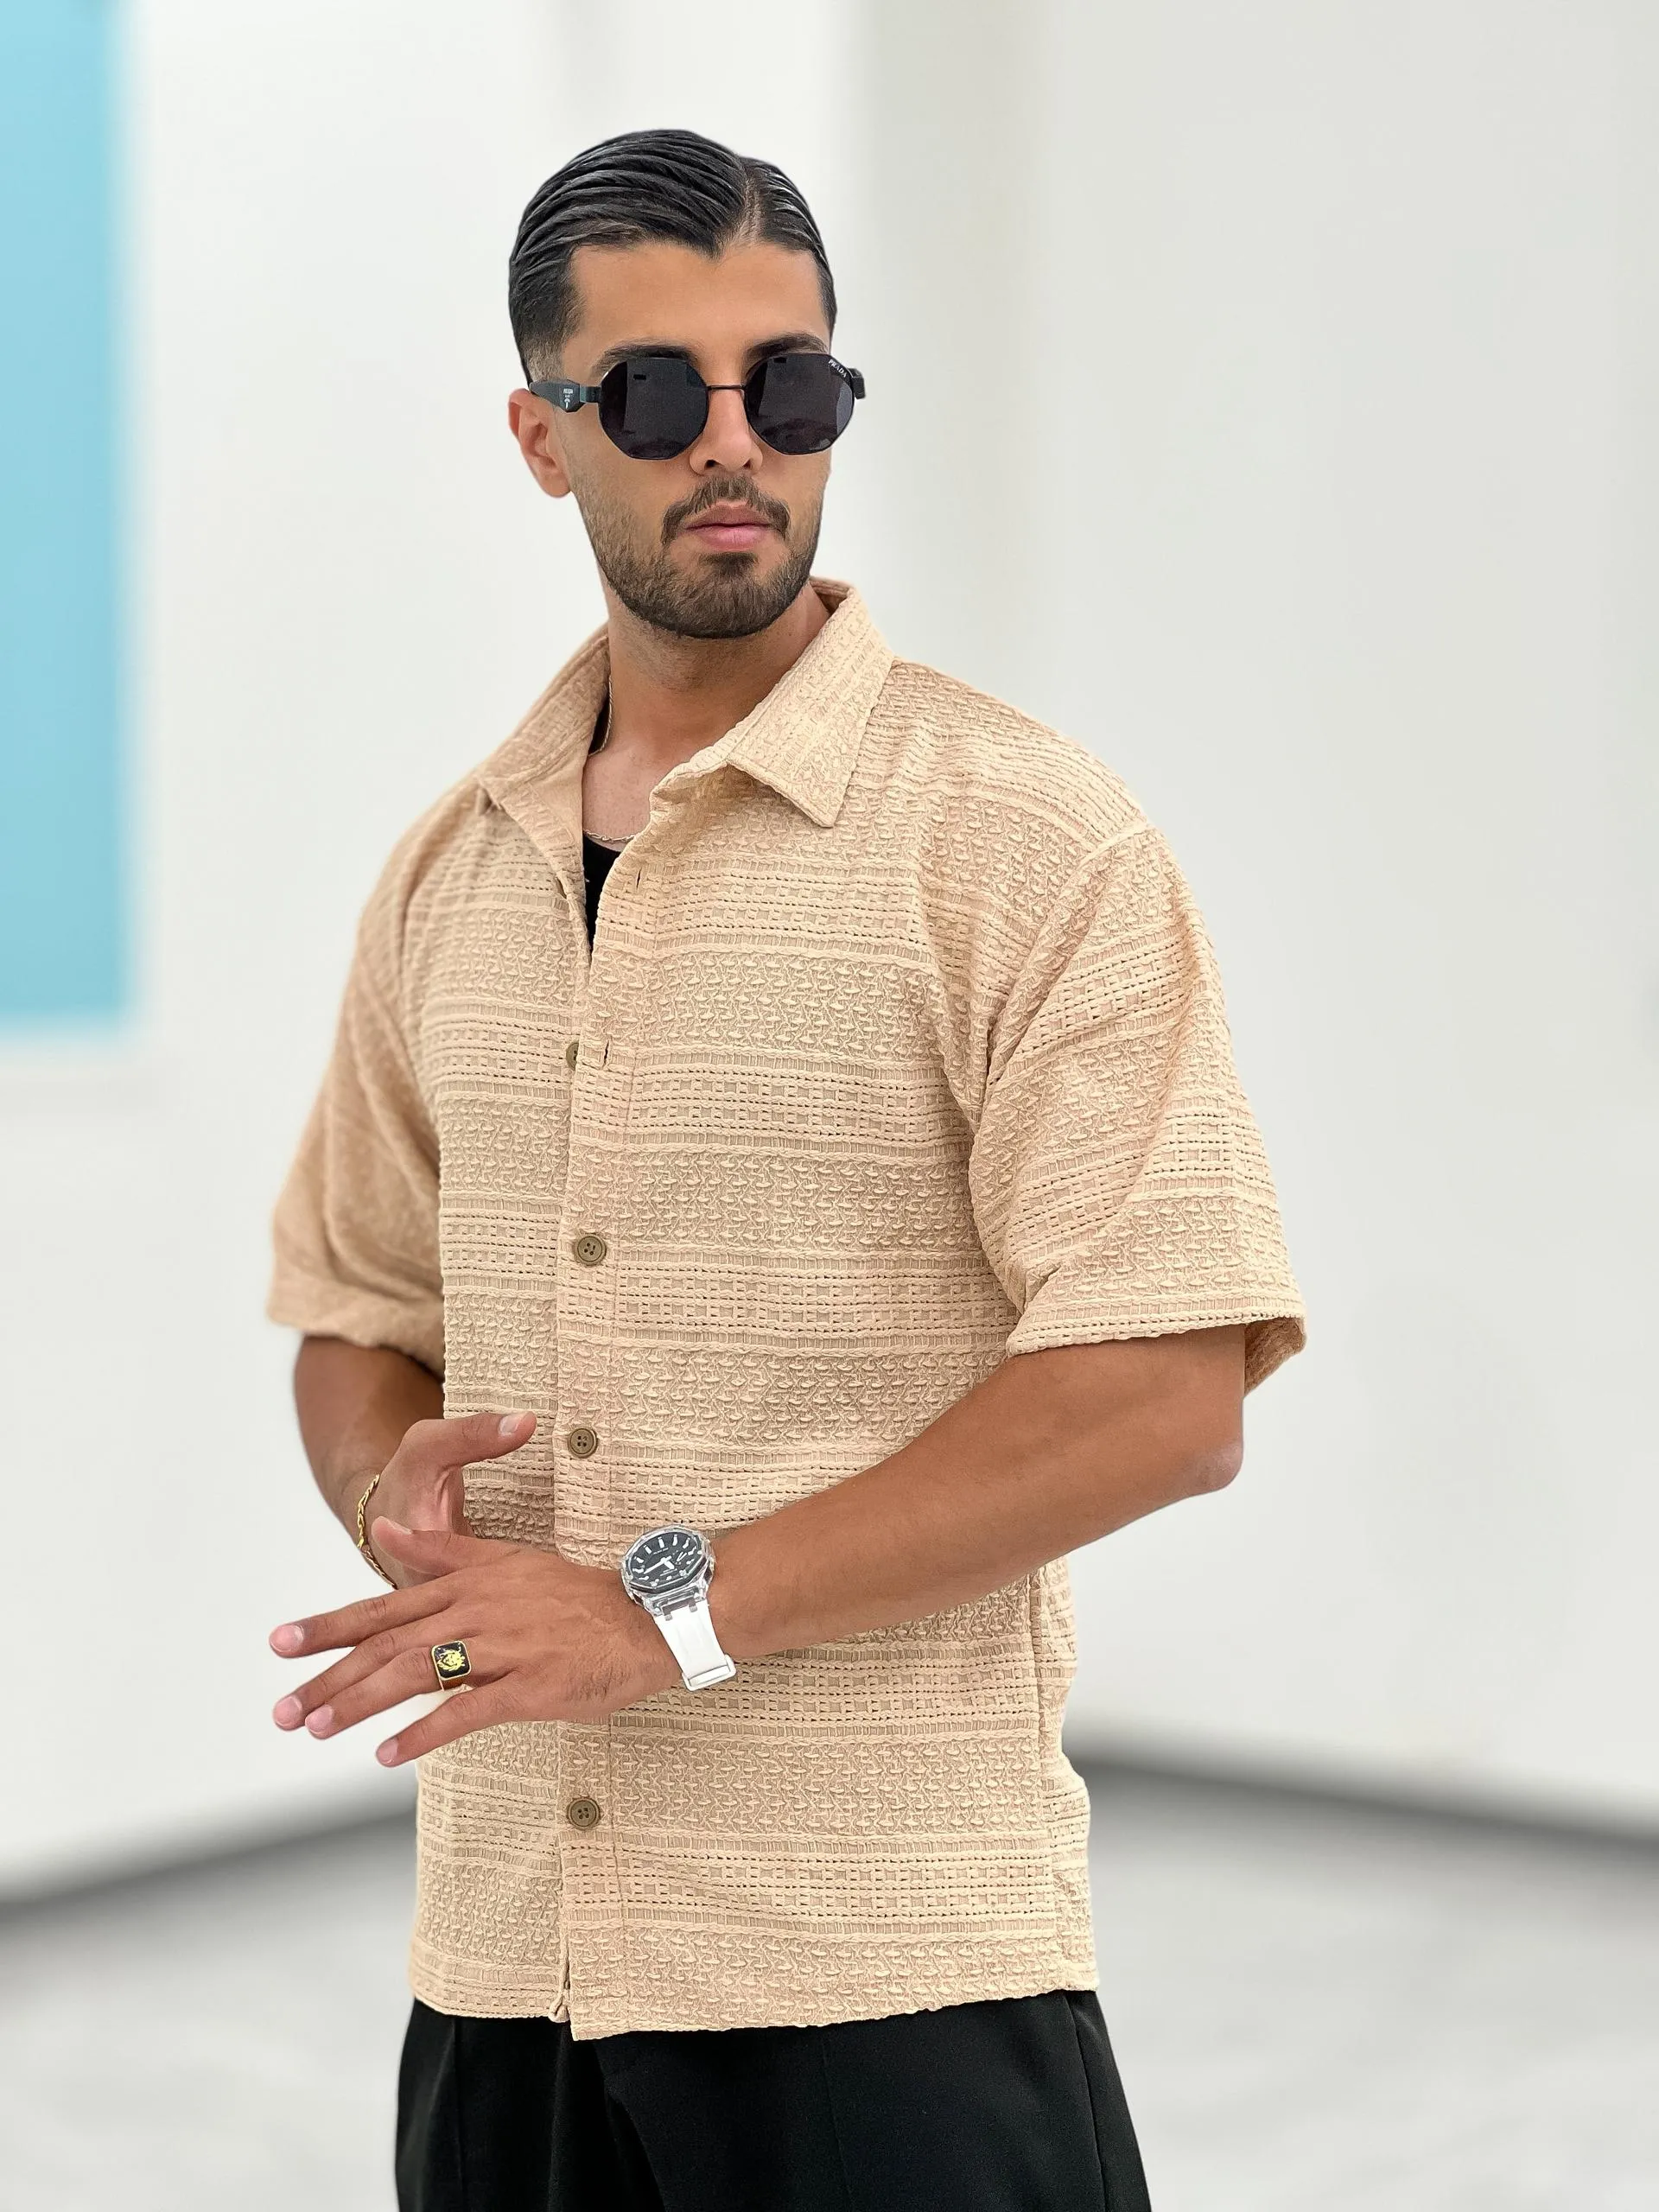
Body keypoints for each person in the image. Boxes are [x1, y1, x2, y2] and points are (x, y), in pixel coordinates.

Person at [264, 126, 1306, 2212]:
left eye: (793, 385)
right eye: (659, 393)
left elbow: (1166, 1388)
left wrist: (659, 1609)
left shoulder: (1024, 840)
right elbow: (356, 1308)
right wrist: (391, 1490)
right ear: (545, 436)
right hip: (505, 1973)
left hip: (886, 1970)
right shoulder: (448, 876)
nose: (736, 442)